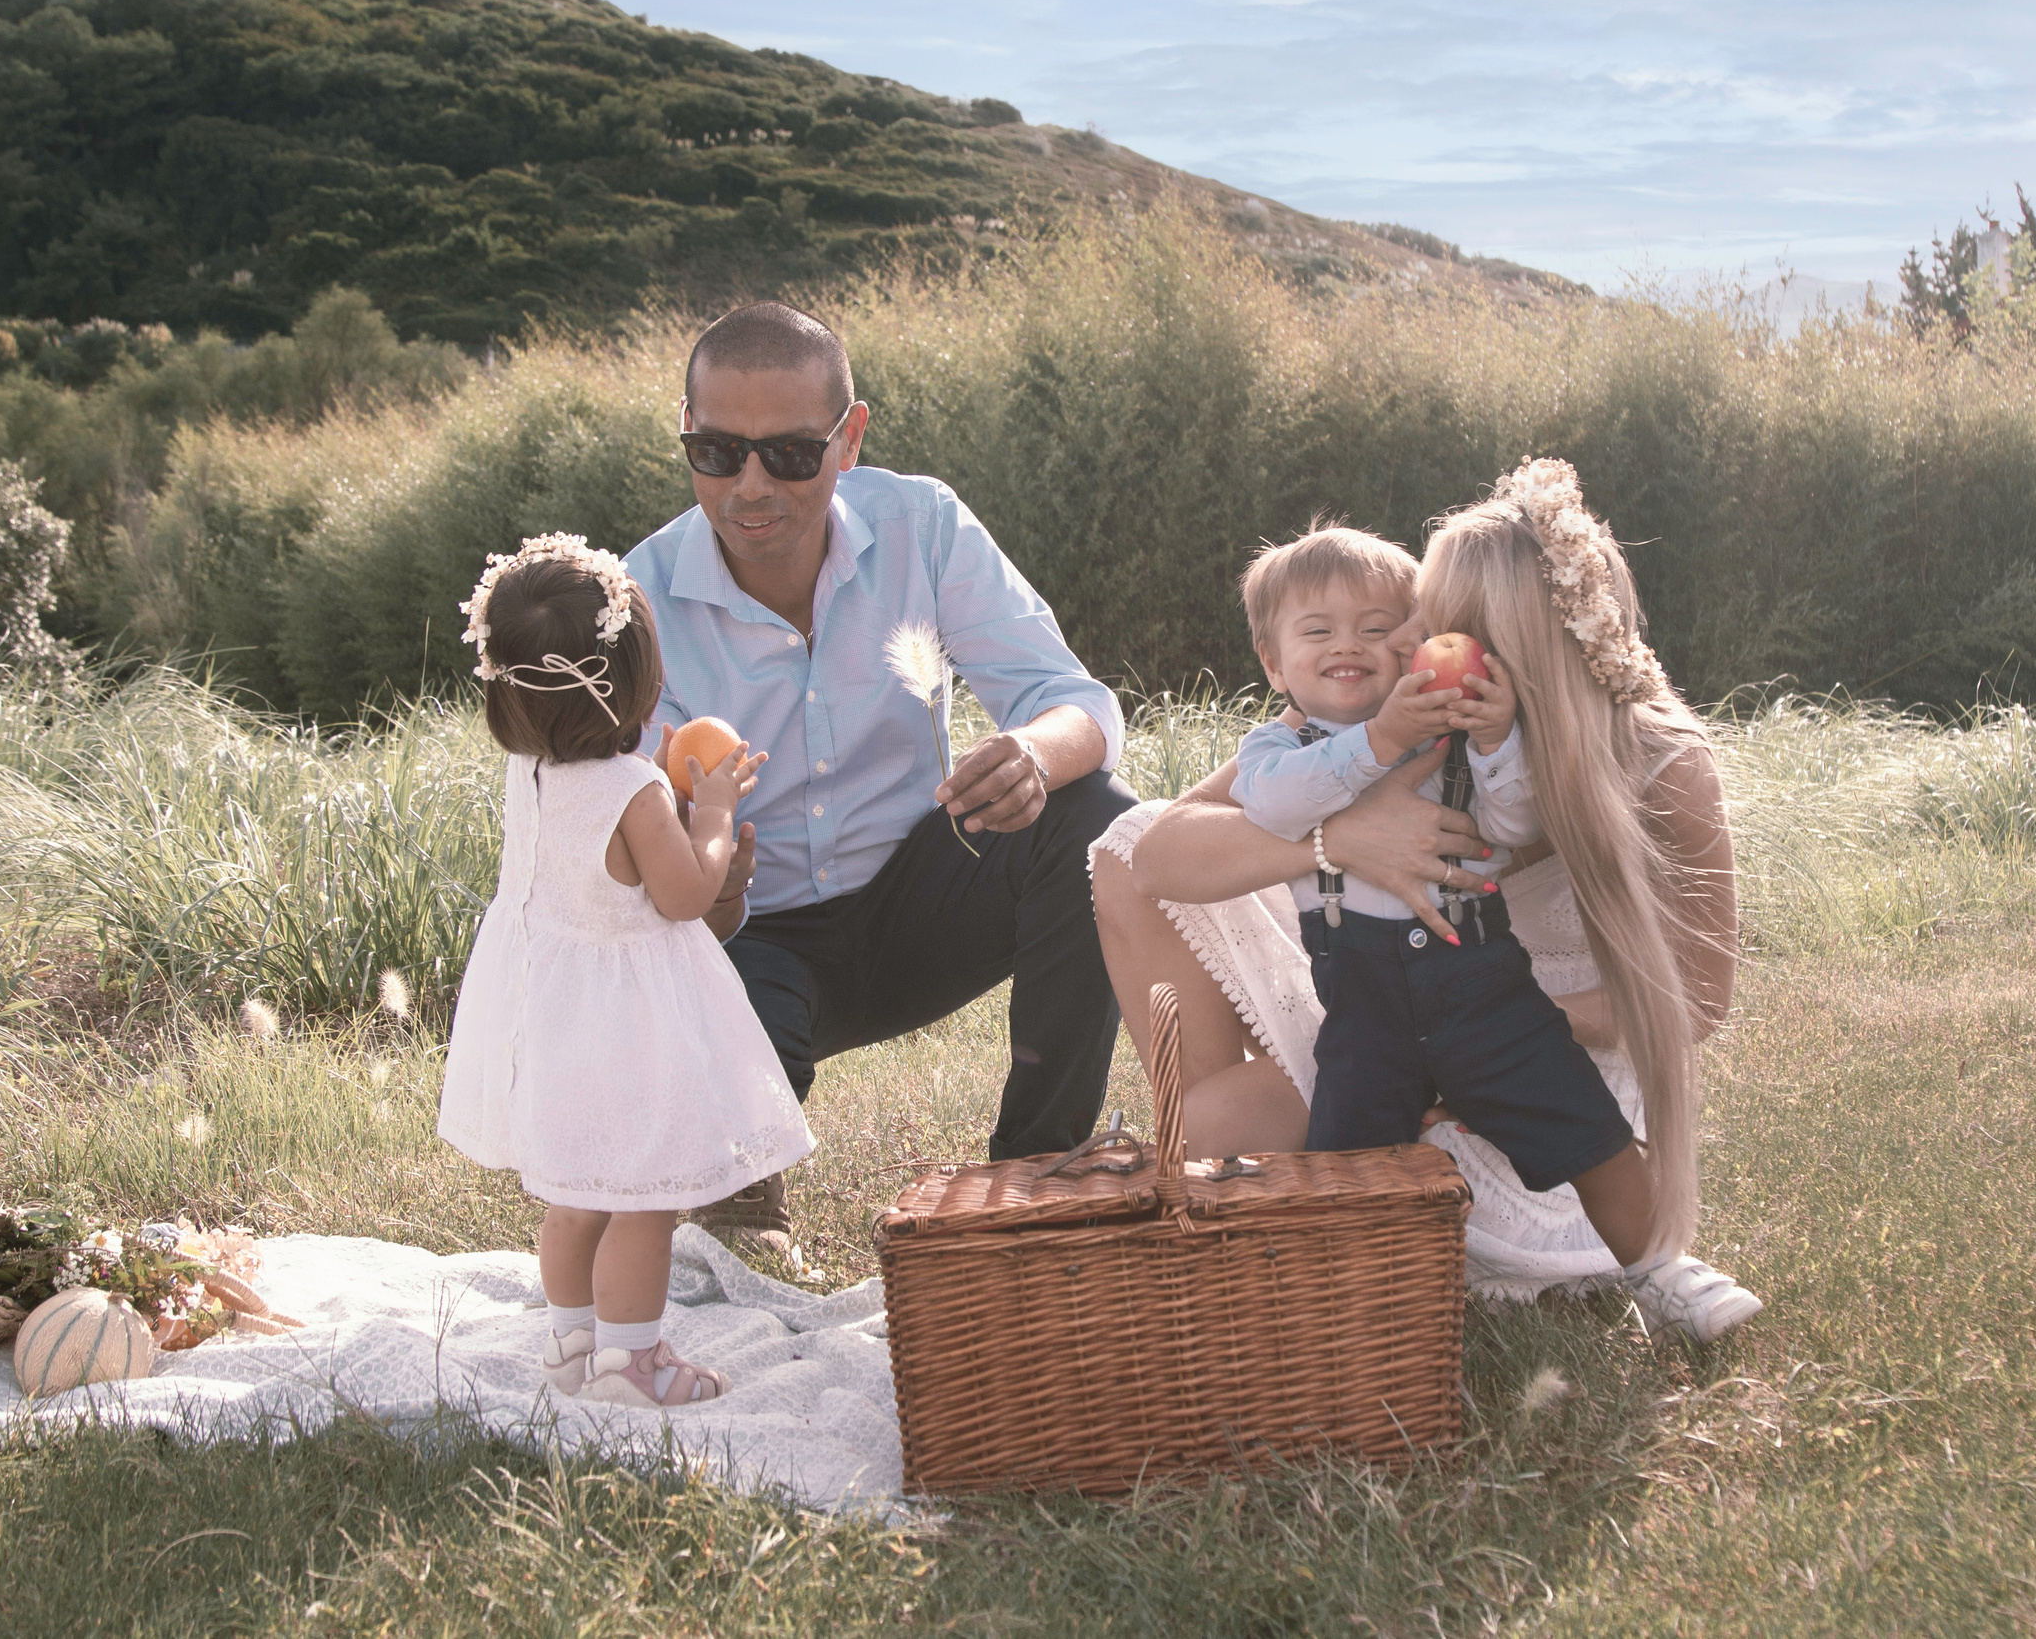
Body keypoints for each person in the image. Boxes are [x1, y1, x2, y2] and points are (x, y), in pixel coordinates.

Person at [1092, 470, 1756, 1330]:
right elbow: (1160, 849)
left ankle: (1653, 1267)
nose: (1400, 637)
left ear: (1499, 643)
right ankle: (1269, 1261)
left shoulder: (1655, 762)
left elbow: (1696, 999)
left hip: (1532, 1048)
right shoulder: (1382, 729)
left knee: (1559, 1128)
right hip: (1388, 1019)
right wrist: (1334, 840)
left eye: (1425, 617)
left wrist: (1479, 1041)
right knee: (1217, 1118)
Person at [623, 302, 1136, 1244]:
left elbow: (1075, 701)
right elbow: (634, 864)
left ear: (848, 438)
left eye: (787, 455)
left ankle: (1035, 1174)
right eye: (717, 452)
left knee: (1096, 815)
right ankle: (742, 1198)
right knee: (730, 1228)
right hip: (751, 938)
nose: (748, 486)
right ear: (686, 437)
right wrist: (714, 892)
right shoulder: (636, 601)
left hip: (921, 901)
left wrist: (1031, 751)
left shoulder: (923, 524)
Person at [436, 533, 813, 1407]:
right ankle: (631, 1366)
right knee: (641, 1203)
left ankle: (573, 1349)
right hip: (625, 1034)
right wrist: (710, 812)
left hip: (553, 1020)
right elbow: (685, 896)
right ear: (635, 685)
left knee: (573, 1200)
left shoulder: (527, 775)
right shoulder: (635, 793)